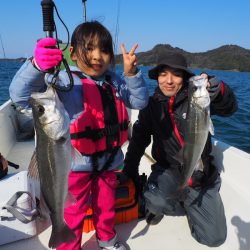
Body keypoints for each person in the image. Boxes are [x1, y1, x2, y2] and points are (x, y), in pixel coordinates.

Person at [9, 21, 149, 250]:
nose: (97, 56)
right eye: (89, 48)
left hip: (109, 164)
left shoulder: (115, 81)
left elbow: (140, 101)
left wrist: (132, 74)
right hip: (75, 167)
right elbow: (21, 96)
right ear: (72, 53)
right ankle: (68, 246)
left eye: (104, 50)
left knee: (106, 208)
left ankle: (107, 240)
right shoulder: (64, 81)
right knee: (72, 211)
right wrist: (35, 65)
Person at [122, 52, 237, 247]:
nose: (168, 80)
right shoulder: (151, 106)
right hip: (168, 170)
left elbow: (230, 108)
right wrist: (129, 171)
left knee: (215, 238)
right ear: (157, 77)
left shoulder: (199, 99)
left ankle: (189, 207)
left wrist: (221, 91)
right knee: (153, 201)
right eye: (163, 74)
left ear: (184, 78)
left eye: (175, 74)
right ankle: (171, 202)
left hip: (201, 176)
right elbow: (139, 140)